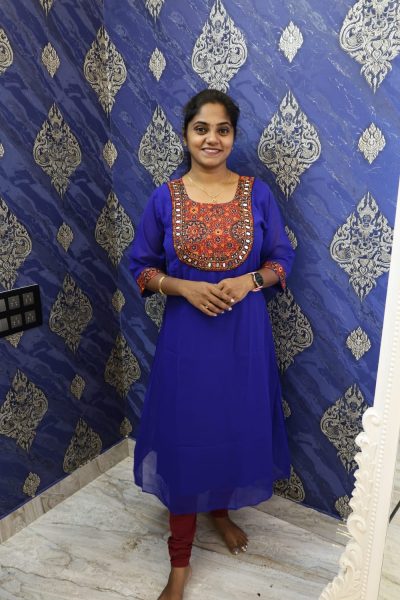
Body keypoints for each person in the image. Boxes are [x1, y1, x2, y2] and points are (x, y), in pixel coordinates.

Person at [129, 88, 295, 600]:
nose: (212, 139)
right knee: (186, 434)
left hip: (244, 336)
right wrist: (183, 288)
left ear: (233, 137)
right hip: (188, 339)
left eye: (222, 129)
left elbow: (282, 257)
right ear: (186, 135)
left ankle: (219, 512)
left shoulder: (256, 194)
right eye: (201, 128)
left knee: (230, 425)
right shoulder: (165, 198)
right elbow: (141, 267)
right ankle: (179, 564)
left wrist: (251, 280)